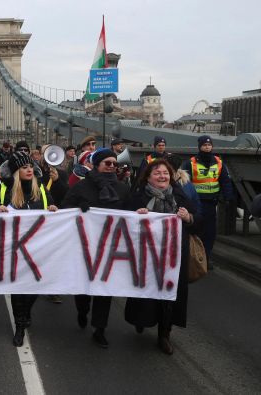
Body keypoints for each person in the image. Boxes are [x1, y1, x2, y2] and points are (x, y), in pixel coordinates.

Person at [125, 159, 201, 355]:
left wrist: (189, 218)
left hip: (174, 256)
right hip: (147, 256)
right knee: (146, 293)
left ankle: (164, 334)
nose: (162, 176)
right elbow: (124, 223)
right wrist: (136, 216)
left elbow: (198, 219)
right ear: (148, 177)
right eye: (157, 173)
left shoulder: (179, 196)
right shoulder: (139, 197)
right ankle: (140, 320)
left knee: (170, 295)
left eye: (165, 173)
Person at [0, 152, 58, 346]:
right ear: (17, 171)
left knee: (34, 287)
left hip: (37, 247)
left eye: (30, 167)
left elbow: (52, 206)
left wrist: (52, 208)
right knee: (19, 289)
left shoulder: (40, 188)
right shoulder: (4, 189)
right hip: (14, 249)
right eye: (24, 167)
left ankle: (25, 314)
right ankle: (19, 326)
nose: (29, 170)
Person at [61, 148, 131, 348]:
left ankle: (99, 329)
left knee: (104, 289)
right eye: (107, 163)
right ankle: (82, 310)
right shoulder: (81, 187)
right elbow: (64, 210)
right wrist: (77, 208)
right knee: (83, 287)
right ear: (97, 165)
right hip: (85, 248)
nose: (111, 167)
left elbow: (131, 216)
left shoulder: (123, 189)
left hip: (110, 249)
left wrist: (141, 213)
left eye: (114, 164)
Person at [183, 135, 235, 269]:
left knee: (210, 232)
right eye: (204, 145)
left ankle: (206, 258)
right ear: (199, 146)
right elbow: (183, 182)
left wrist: (228, 197)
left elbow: (225, 181)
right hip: (196, 204)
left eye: (209, 145)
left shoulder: (219, 162)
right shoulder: (190, 163)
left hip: (211, 203)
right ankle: (193, 257)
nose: (207, 147)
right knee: (196, 231)